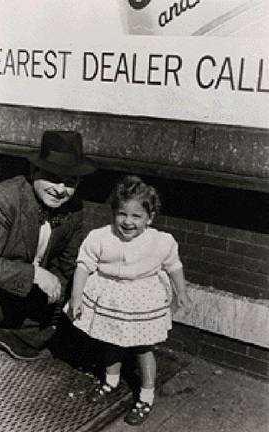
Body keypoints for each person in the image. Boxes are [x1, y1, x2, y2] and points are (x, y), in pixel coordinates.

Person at [65, 175, 192, 426]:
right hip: (111, 296)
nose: (128, 222)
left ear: (150, 218)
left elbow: (174, 266)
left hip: (143, 298)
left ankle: (146, 395)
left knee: (143, 347)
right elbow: (83, 266)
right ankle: (111, 381)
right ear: (113, 213)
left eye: (137, 216)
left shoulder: (160, 242)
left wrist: (182, 291)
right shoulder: (100, 237)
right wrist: (76, 297)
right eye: (122, 214)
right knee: (111, 340)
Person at [0, 130, 95, 399]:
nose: (61, 189)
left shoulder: (73, 209)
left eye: (70, 182)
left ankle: (5, 335)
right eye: (53, 179)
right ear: (34, 171)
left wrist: (85, 295)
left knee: (40, 344)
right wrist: (35, 274)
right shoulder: (3, 198)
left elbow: (69, 264)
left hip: (24, 299)